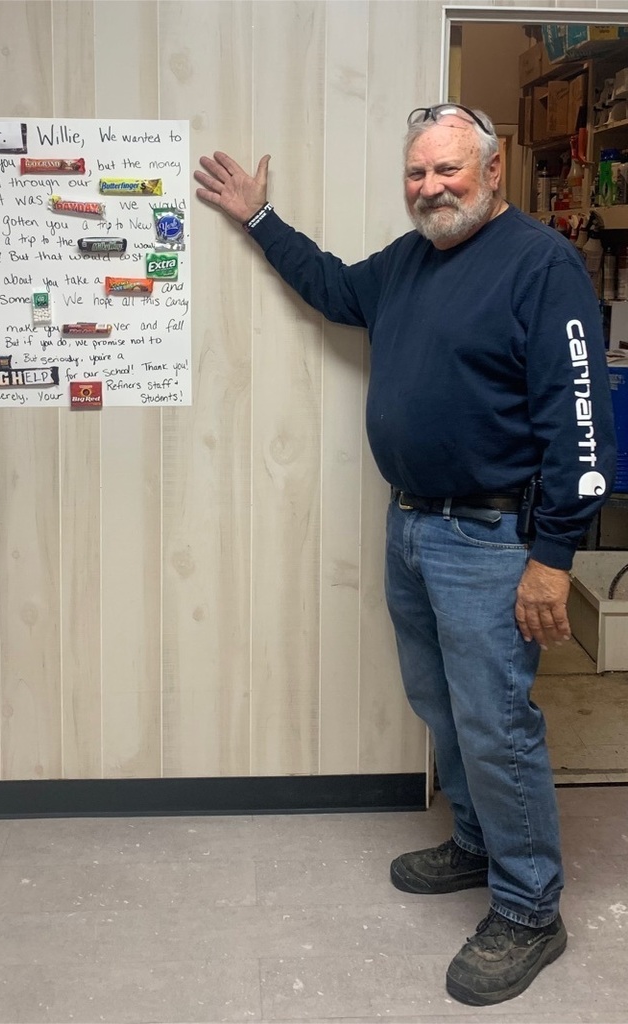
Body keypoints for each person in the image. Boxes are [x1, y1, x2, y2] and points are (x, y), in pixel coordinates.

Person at [194, 103, 616, 1006]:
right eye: (417, 174)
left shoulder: (542, 265)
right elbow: (337, 287)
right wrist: (261, 219)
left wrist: (553, 556)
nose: (429, 188)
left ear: (493, 171)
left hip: (493, 541)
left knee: (497, 723)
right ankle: (474, 842)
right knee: (441, 704)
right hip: (414, 528)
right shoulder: (411, 260)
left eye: (448, 171)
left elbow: (581, 425)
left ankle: (531, 907)